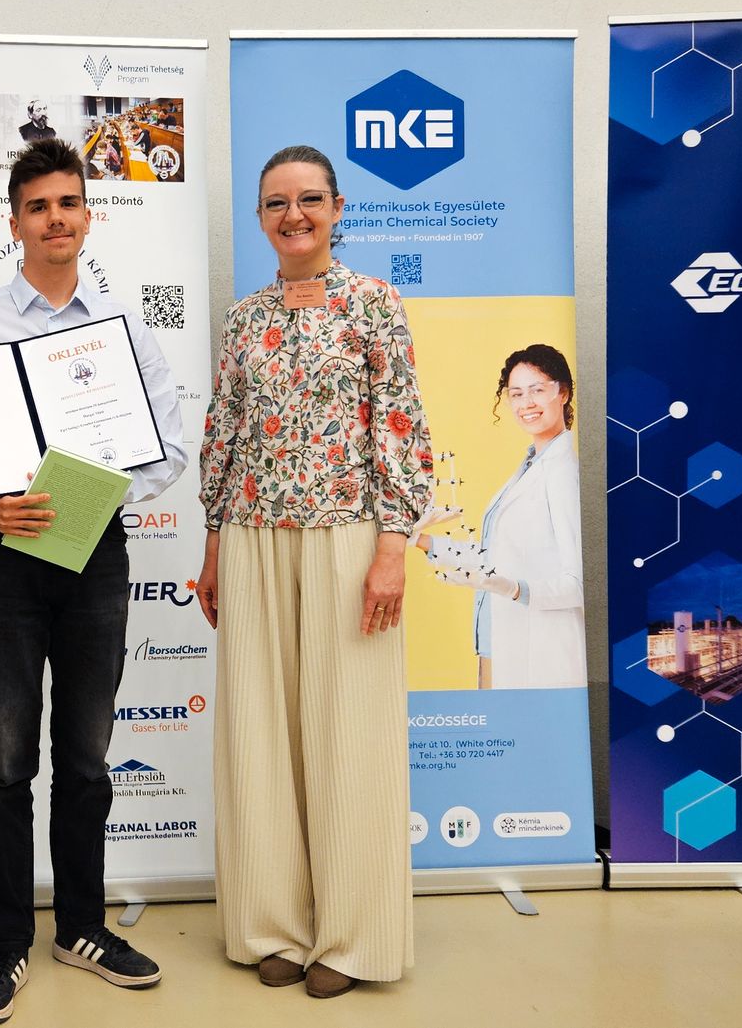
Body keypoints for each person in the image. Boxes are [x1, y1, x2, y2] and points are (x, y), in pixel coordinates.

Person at [0, 138, 187, 1024]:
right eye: (38, 206)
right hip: (5, 560)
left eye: (68, 203)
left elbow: (169, 446)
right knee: (5, 758)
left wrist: (94, 495)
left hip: (95, 553)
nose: (55, 218)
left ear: (87, 216)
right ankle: (4, 944)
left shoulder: (125, 328)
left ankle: (82, 928)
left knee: (89, 755)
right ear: (14, 220)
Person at [197, 145, 431, 1000]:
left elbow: (400, 424)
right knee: (259, 730)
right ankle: (274, 926)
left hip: (348, 535)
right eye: (275, 203)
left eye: (308, 199)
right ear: (260, 217)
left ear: (336, 208)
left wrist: (393, 546)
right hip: (252, 535)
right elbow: (224, 429)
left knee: (349, 733)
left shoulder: (374, 303)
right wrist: (213, 541)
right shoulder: (244, 318)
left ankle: (354, 934)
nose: (292, 215)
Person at [419, 344, 583, 689]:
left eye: (538, 390)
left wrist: (515, 589)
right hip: (496, 643)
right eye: (516, 394)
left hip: (539, 651)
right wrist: (422, 540)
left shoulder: (564, 472)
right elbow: (494, 558)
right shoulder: (530, 466)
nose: (526, 403)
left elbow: (580, 583)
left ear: (564, 393)